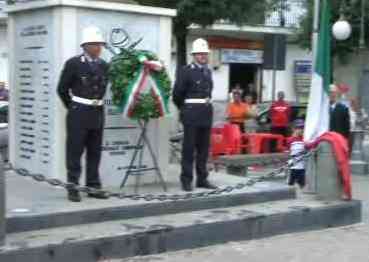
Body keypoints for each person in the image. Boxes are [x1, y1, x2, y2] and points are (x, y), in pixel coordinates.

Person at [57, 26, 109, 202]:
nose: (98, 48)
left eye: (100, 45)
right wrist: (73, 107)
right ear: (85, 46)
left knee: (95, 152)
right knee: (75, 151)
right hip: (79, 112)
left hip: (97, 112)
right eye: (95, 44)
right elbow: (62, 89)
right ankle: (73, 186)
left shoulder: (103, 65)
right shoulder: (74, 63)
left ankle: (93, 185)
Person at [173, 38, 217, 192]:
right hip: (191, 114)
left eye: (205, 53)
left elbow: (208, 93)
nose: (203, 56)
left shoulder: (208, 71)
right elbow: (177, 94)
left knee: (204, 149)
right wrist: (185, 109)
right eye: (199, 54)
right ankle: (186, 179)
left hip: (205, 113)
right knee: (189, 148)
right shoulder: (185, 71)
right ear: (194, 55)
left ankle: (202, 178)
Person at [287, 119, 306, 189]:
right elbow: (288, 152)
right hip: (293, 167)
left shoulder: (305, 139)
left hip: (302, 167)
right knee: (290, 184)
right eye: (299, 128)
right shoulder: (289, 140)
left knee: (302, 184)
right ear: (293, 129)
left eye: (302, 128)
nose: (301, 130)